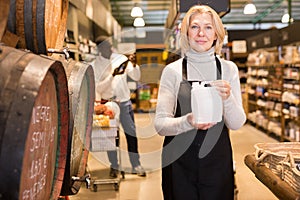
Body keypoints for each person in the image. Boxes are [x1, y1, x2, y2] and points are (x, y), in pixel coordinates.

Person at [154, 5, 246, 200]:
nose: (201, 33)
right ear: (186, 32)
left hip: (217, 162)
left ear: (216, 34)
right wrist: (188, 121)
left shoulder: (229, 69)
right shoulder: (173, 71)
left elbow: (237, 123)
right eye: (195, 27)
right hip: (179, 162)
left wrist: (227, 98)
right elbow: (160, 125)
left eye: (208, 27)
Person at [109, 52, 146, 177]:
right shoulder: (99, 63)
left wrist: (134, 64)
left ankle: (136, 165)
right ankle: (114, 166)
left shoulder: (121, 60)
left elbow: (136, 76)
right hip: (110, 104)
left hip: (125, 103)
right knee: (112, 137)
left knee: (131, 134)